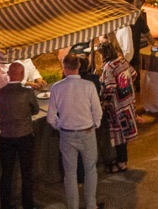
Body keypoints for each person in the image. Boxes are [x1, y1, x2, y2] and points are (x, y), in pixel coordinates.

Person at [49, 52, 104, 209]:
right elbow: (97, 111)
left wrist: (60, 126)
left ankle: (73, 206)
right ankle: (91, 205)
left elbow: (51, 118)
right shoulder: (88, 86)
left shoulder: (56, 88)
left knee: (70, 174)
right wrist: (95, 124)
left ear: (64, 68)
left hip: (66, 134)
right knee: (90, 170)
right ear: (79, 66)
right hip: (87, 132)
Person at [0, 62, 39, 209]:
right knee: (26, 173)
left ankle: (5, 205)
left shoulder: (0, 93)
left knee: (6, 174)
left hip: (6, 137)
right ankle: (28, 204)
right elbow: (35, 109)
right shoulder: (27, 92)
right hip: (25, 136)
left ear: (8, 74)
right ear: (21, 75)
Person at [98, 41, 137, 174]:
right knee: (125, 135)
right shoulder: (122, 61)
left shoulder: (109, 67)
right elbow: (134, 74)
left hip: (117, 107)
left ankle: (121, 163)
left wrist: (103, 100)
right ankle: (123, 161)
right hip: (128, 102)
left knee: (119, 136)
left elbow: (110, 88)